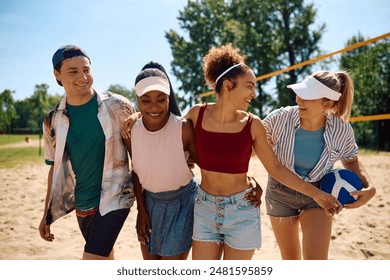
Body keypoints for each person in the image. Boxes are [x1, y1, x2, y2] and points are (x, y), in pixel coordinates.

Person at [180, 44, 341, 260]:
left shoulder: (252, 124)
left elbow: (275, 168)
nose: (254, 94)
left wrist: (318, 195)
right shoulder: (195, 114)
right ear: (228, 85)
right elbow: (170, 133)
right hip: (204, 209)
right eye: (249, 86)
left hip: (242, 211)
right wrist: (136, 118)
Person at [262, 70, 376, 260]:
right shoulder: (278, 119)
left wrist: (369, 187)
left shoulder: (342, 130)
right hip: (280, 192)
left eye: (306, 96)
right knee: (290, 259)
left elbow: (351, 160)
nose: (298, 99)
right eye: (299, 93)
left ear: (328, 103)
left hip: (319, 194)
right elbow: (249, 144)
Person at [38, 45, 135, 260]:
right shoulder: (52, 119)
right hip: (82, 202)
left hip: (116, 197)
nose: (83, 76)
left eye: (86, 69)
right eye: (73, 71)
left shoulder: (118, 105)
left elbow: (139, 151)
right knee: (105, 257)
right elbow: (54, 168)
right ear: (57, 74)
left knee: (92, 259)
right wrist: (47, 212)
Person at [124, 67, 198, 260]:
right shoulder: (130, 133)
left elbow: (208, 167)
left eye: (161, 99)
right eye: (145, 101)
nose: (154, 107)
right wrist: (142, 210)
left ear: (168, 98)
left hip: (183, 203)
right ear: (137, 100)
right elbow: (137, 173)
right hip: (150, 204)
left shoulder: (183, 128)